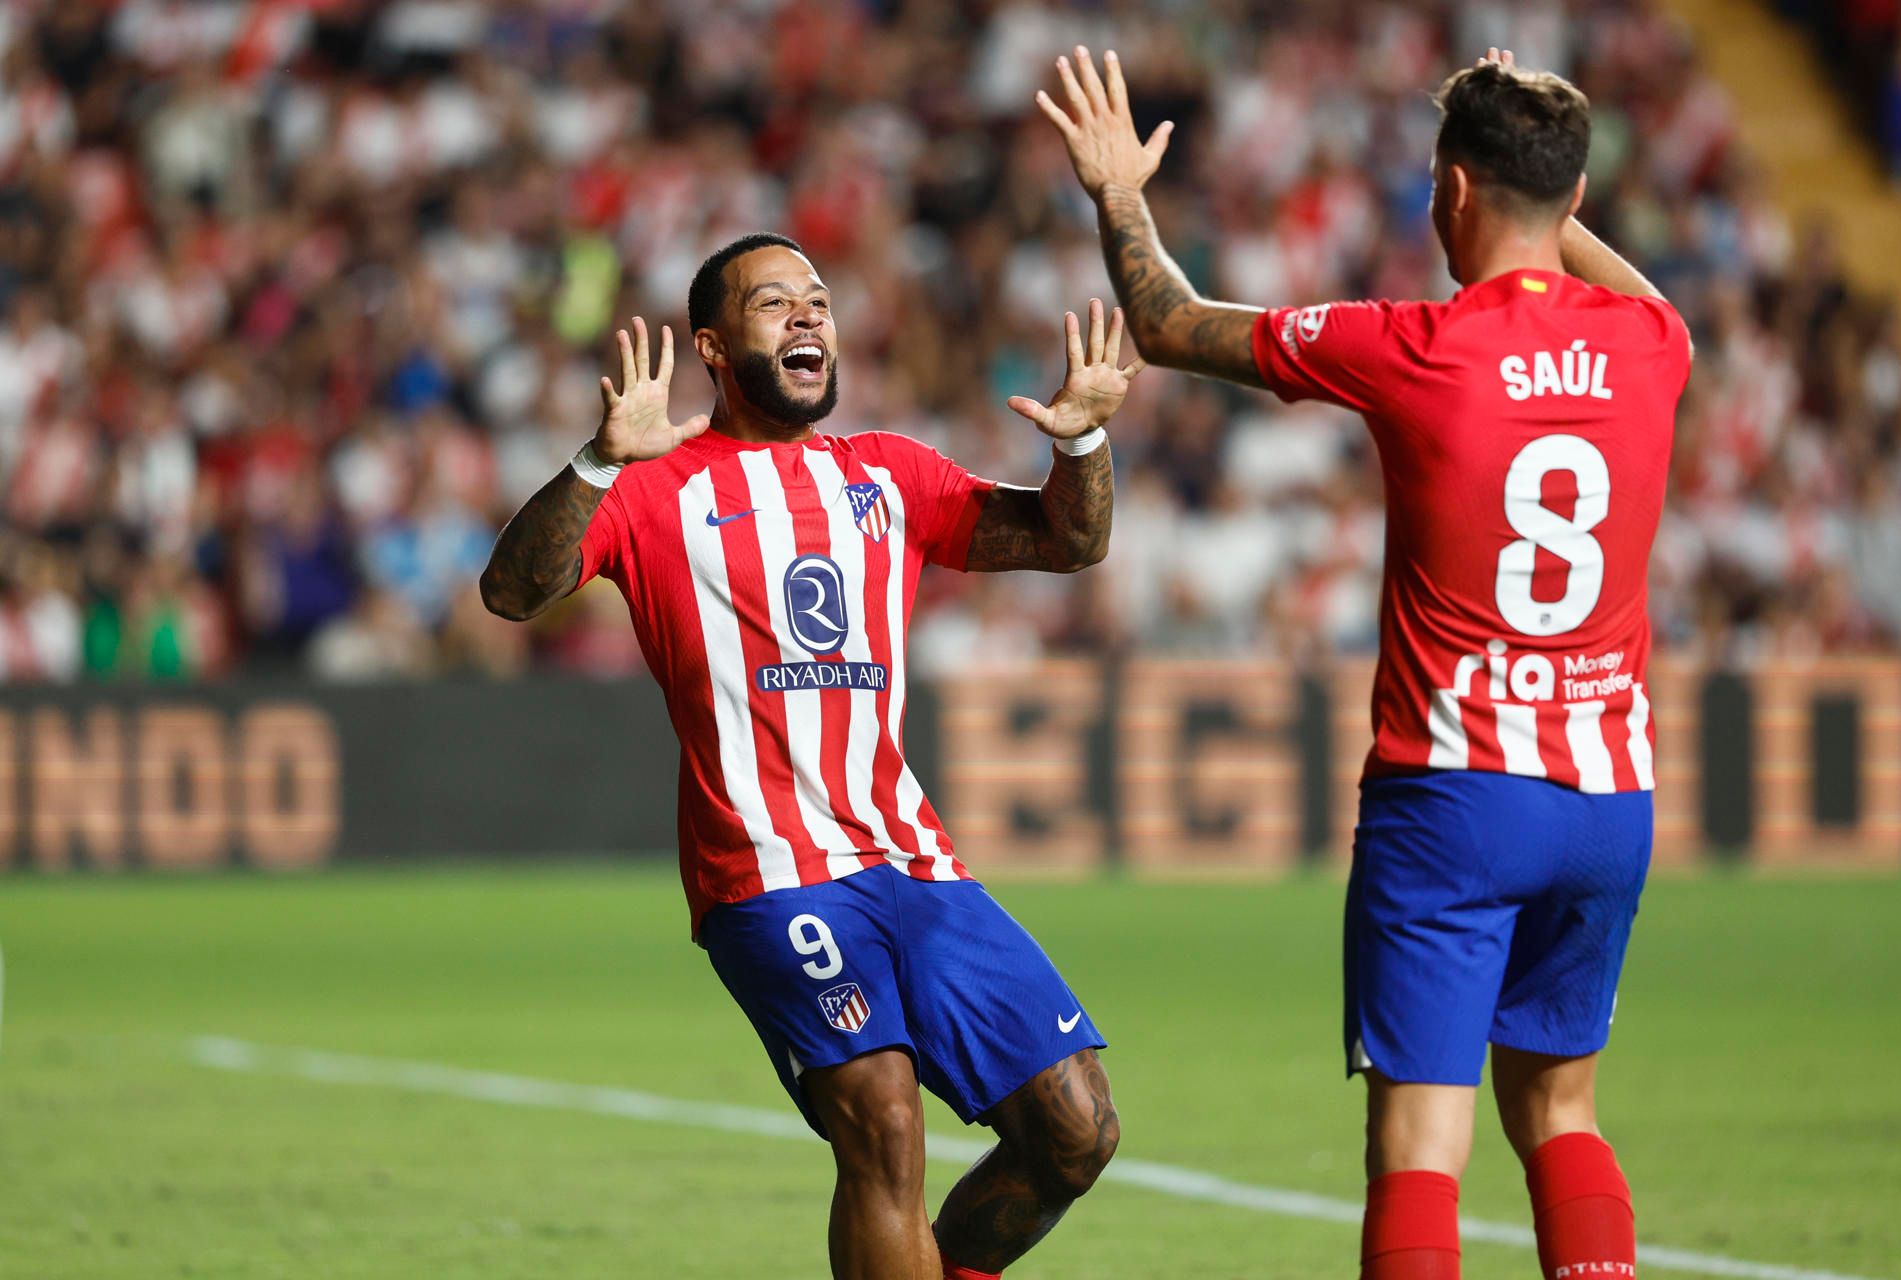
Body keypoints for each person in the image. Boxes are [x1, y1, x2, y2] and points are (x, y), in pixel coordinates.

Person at [1041, 44, 1690, 1280]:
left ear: (1450, 192)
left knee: (1418, 1151)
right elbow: (1640, 297)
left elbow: (1169, 324)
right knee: (1562, 1113)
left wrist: (1119, 192)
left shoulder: (1417, 343)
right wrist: (1547, 190)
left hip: (1454, 796)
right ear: (1567, 195)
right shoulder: (1652, 348)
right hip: (1609, 797)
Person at [479, 233, 1143, 1280]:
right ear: (710, 344)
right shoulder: (658, 490)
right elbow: (513, 590)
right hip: (768, 872)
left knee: (1076, 1127)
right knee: (882, 1119)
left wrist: (1082, 444)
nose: (807, 318)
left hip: (912, 861)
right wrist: (601, 460)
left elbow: (1067, 540)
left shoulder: (887, 472)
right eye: (774, 302)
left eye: (820, 302)